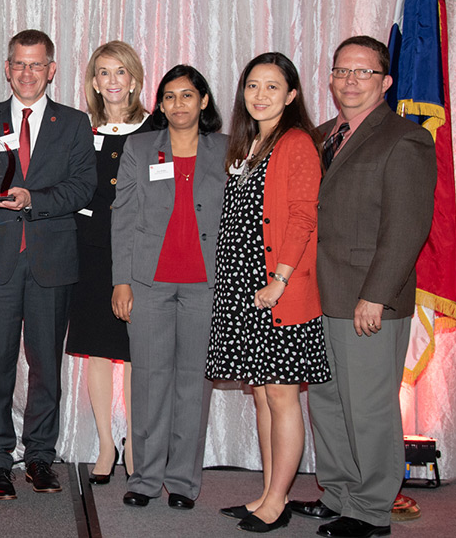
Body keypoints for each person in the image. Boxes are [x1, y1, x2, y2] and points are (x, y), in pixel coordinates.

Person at [288, 36, 435, 538]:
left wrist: (377, 293)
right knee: (326, 402)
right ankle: (339, 493)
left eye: (363, 72)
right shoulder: (320, 134)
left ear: (385, 81)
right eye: (341, 71)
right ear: (329, 78)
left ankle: (371, 510)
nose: (350, 81)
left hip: (368, 300)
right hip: (318, 295)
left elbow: (407, 226)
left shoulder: (405, 139)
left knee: (369, 408)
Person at [0, 29, 96, 499]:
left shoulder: (76, 123)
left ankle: (40, 456)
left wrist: (33, 200)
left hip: (51, 262)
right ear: (7, 68)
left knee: (45, 367)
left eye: (36, 65)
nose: (27, 73)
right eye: (19, 63)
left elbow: (83, 187)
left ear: (52, 70)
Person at [206, 52, 329, 533]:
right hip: (242, 287)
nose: (260, 95)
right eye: (253, 86)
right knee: (260, 395)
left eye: (272, 87)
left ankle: (278, 500)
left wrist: (278, 279)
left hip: (275, 290)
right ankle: (265, 491)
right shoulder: (250, 144)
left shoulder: (296, 142)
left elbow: (302, 215)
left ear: (292, 95)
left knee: (281, 397)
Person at [111, 65, 227, 510]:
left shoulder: (227, 149)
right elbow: (122, 217)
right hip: (149, 284)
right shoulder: (140, 147)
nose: (178, 104)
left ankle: (182, 482)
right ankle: (144, 478)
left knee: (192, 385)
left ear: (203, 101)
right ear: (159, 105)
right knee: (149, 382)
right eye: (170, 97)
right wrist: (121, 280)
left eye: (187, 95)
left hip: (206, 286)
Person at [66, 40, 158, 484]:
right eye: (103, 72)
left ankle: (137, 447)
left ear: (135, 80)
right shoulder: (80, 130)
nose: (112, 80)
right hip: (89, 251)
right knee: (98, 352)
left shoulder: (157, 129)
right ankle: (106, 444)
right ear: (94, 83)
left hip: (140, 254)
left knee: (139, 352)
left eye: (120, 72)